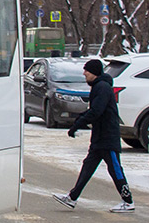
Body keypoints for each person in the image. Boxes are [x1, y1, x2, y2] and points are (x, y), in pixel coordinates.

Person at [54, 58, 135, 212]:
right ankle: (72, 197)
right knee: (88, 167)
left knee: (115, 169)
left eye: (87, 71)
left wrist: (78, 123)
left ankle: (128, 201)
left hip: (108, 136)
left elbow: (97, 110)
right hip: (99, 137)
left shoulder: (102, 87)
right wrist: (79, 121)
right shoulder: (98, 87)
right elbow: (94, 111)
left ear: (95, 73)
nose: (84, 74)